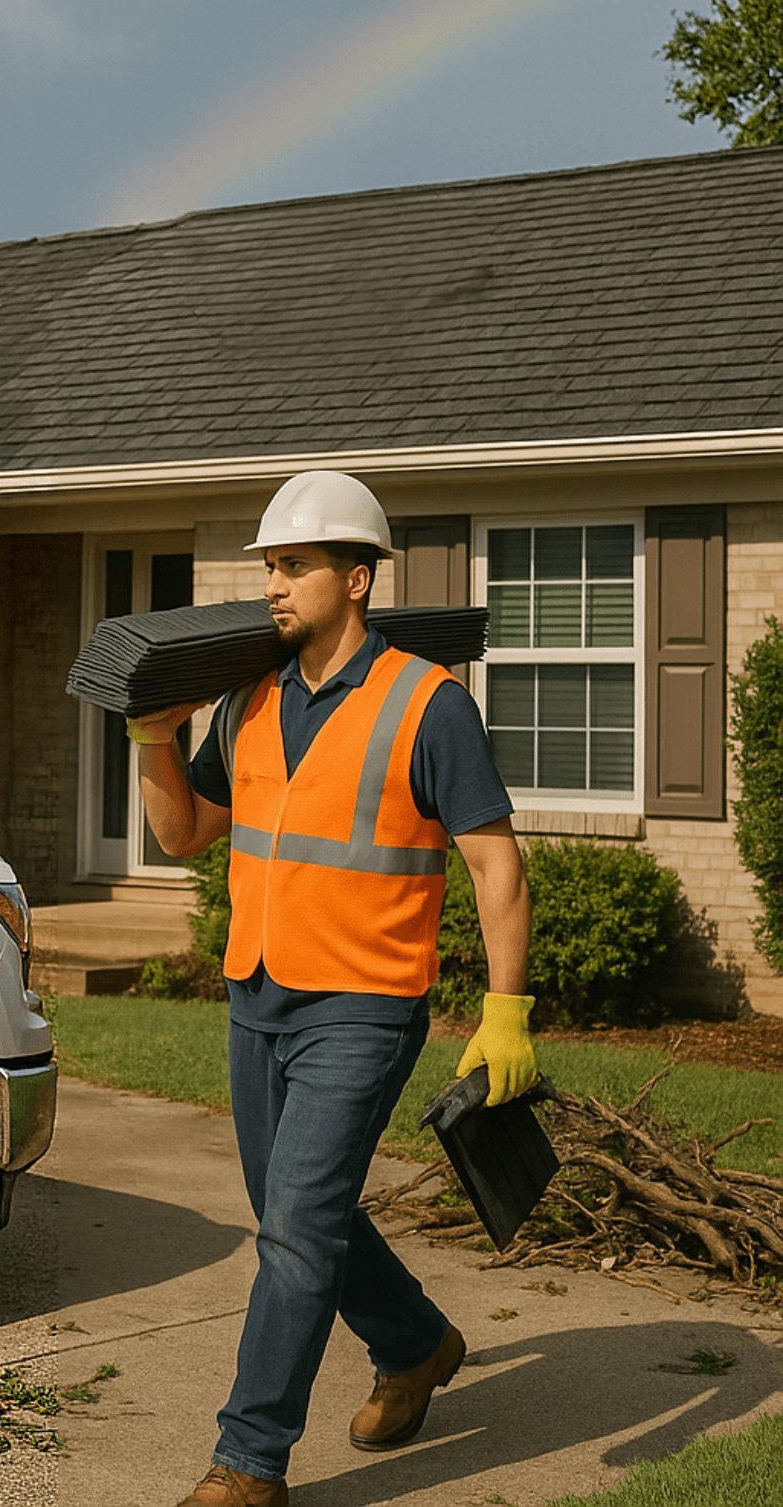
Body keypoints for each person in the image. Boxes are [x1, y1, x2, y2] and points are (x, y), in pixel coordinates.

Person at [130, 470, 537, 1507]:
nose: (274, 584)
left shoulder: (427, 703)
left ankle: (246, 1461)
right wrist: (151, 740)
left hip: (364, 1003)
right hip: (257, 990)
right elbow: (184, 835)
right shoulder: (252, 698)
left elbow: (496, 865)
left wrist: (505, 1012)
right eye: (269, 565)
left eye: (295, 565)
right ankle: (416, 1344)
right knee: (292, 1211)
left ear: (356, 579)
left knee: (298, 1226)